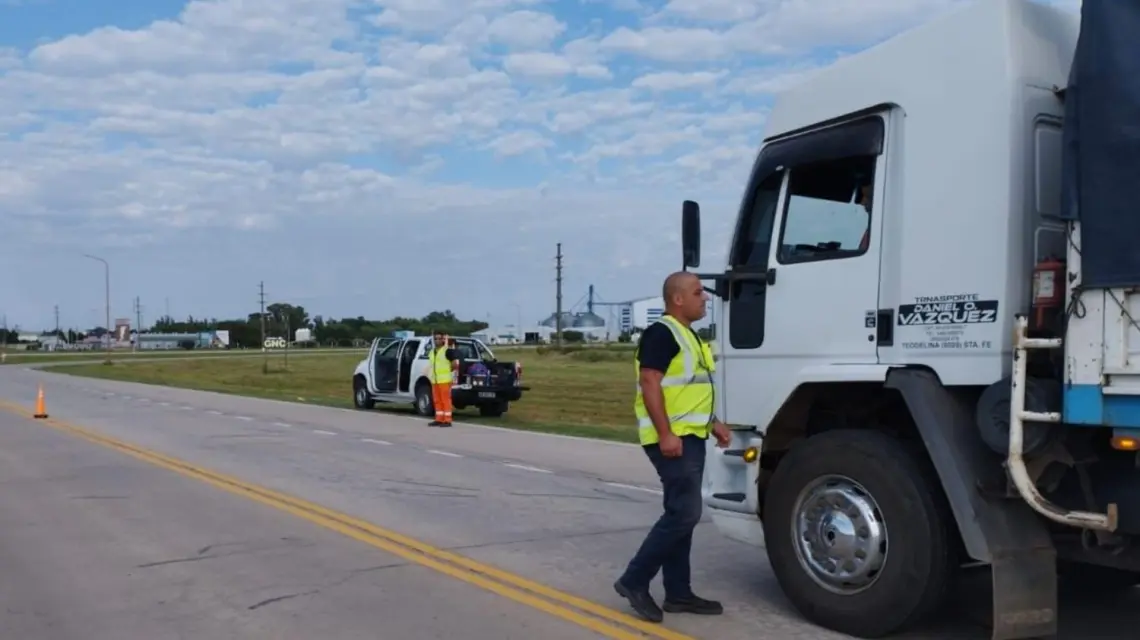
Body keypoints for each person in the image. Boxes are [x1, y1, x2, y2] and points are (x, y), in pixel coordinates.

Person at [614, 271, 731, 623]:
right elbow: (650, 381)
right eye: (698, 292)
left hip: (689, 436)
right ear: (678, 299)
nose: (705, 298)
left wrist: (713, 424)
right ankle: (634, 580)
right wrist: (666, 434)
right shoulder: (662, 332)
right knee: (684, 513)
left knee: (681, 514)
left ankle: (678, 594)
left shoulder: (688, 336)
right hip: (673, 439)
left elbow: (687, 391)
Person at [428, 330, 454, 427]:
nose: (437, 340)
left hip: (444, 380)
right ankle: (439, 418)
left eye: (439, 338)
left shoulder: (446, 351)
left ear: (443, 340)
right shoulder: (432, 352)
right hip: (435, 380)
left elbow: (454, 363)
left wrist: (449, 371)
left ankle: (447, 420)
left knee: (445, 400)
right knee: (437, 400)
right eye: (436, 339)